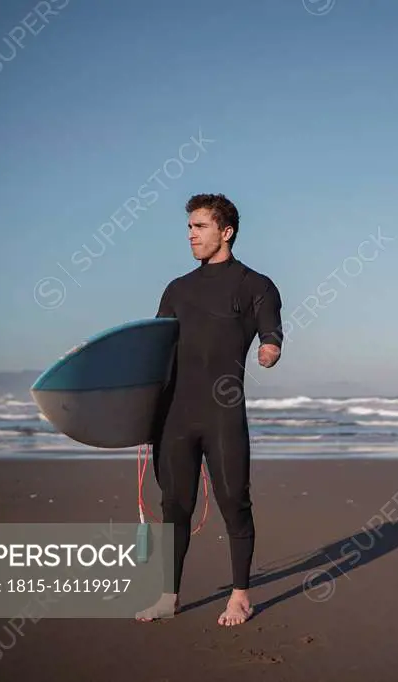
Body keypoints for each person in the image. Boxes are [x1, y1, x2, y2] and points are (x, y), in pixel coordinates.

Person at [136, 193, 283, 626]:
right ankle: (169, 596)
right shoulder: (177, 289)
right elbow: (152, 349)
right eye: (188, 227)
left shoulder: (256, 285)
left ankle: (239, 595)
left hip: (222, 413)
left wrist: (270, 349)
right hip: (174, 416)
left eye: (199, 226)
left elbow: (271, 330)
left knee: (234, 500)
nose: (190, 235)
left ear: (226, 231)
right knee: (174, 505)